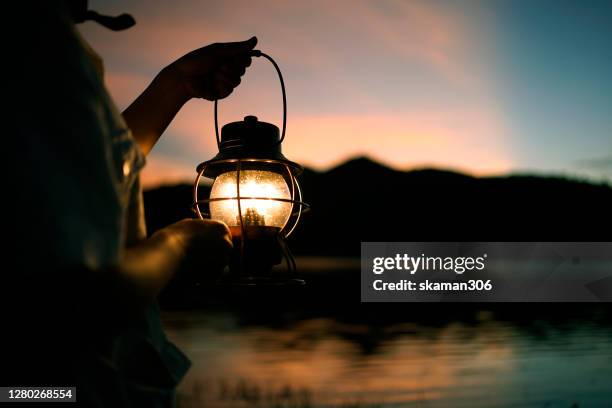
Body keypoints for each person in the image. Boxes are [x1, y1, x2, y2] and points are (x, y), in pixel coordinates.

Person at [4, 1, 256, 406]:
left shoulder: (41, 43)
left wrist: (176, 84)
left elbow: (96, 171)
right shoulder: (33, 43)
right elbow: (73, 299)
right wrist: (178, 247)